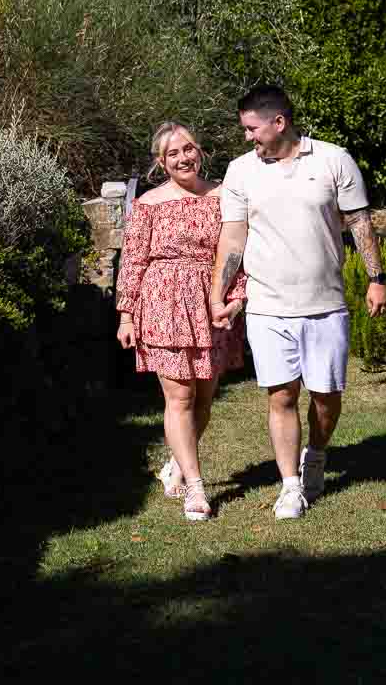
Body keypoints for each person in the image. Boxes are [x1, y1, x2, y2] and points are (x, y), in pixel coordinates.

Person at [210, 84, 386, 520]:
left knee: (326, 398)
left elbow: (359, 223)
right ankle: (290, 486)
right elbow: (233, 237)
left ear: (279, 122)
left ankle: (318, 452)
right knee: (281, 396)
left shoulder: (333, 160)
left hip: (326, 305)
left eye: (252, 128)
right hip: (268, 305)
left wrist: (377, 277)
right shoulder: (240, 172)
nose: (248, 137)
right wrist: (219, 292)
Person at [116, 120, 245, 521]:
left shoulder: (226, 196)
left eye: (188, 149)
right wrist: (125, 315)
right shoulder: (149, 204)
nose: (183, 157)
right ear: (161, 161)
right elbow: (133, 261)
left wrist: (235, 297)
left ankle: (176, 463)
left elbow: (238, 248)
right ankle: (195, 486)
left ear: (200, 151)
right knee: (180, 397)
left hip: (211, 301)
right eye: (173, 153)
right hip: (163, 302)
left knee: (204, 397)